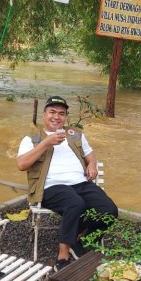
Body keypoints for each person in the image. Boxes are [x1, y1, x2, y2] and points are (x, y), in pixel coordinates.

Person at [17, 96, 118, 271]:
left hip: (81, 184)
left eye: (61, 113)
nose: (56, 117)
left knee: (110, 210)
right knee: (75, 203)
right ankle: (63, 254)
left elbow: (90, 154)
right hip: (50, 187)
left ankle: (82, 237)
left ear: (65, 117)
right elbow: (21, 164)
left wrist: (92, 164)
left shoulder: (75, 134)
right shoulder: (31, 138)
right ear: (44, 115)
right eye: (52, 112)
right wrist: (46, 143)